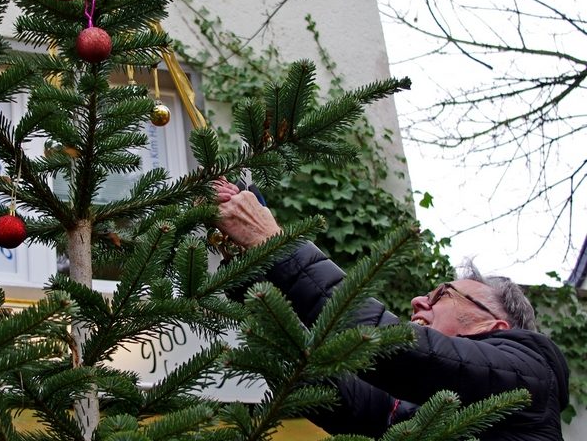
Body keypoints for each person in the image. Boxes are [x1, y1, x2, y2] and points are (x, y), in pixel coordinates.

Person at [213, 179, 570, 441]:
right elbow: (322, 381)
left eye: (443, 294)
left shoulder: (531, 372)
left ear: (492, 325)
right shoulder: (411, 407)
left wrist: (275, 242)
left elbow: (396, 349)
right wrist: (252, 269)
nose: (419, 301)